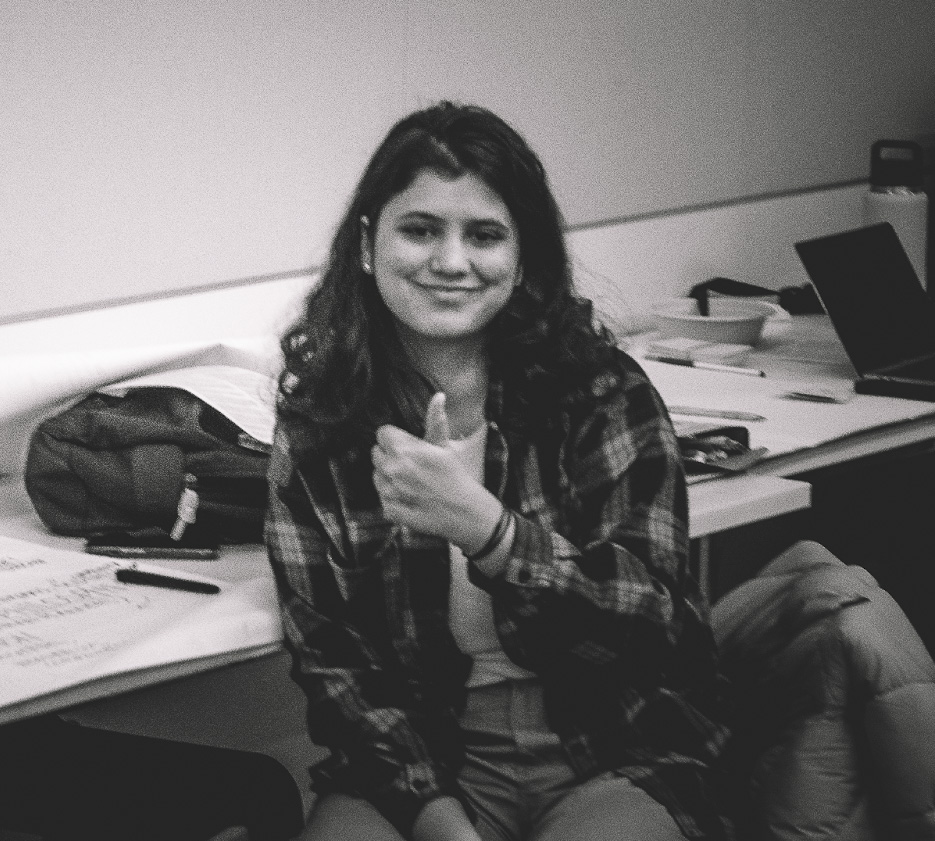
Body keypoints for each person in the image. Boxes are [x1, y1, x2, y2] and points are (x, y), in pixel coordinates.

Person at [266, 102, 732, 841]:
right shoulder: (322, 421)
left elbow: (656, 629)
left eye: (484, 235)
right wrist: (439, 820)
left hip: (606, 743)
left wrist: (491, 534)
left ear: (524, 261)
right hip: (420, 758)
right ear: (366, 245)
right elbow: (335, 668)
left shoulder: (601, 392)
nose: (450, 262)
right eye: (419, 229)